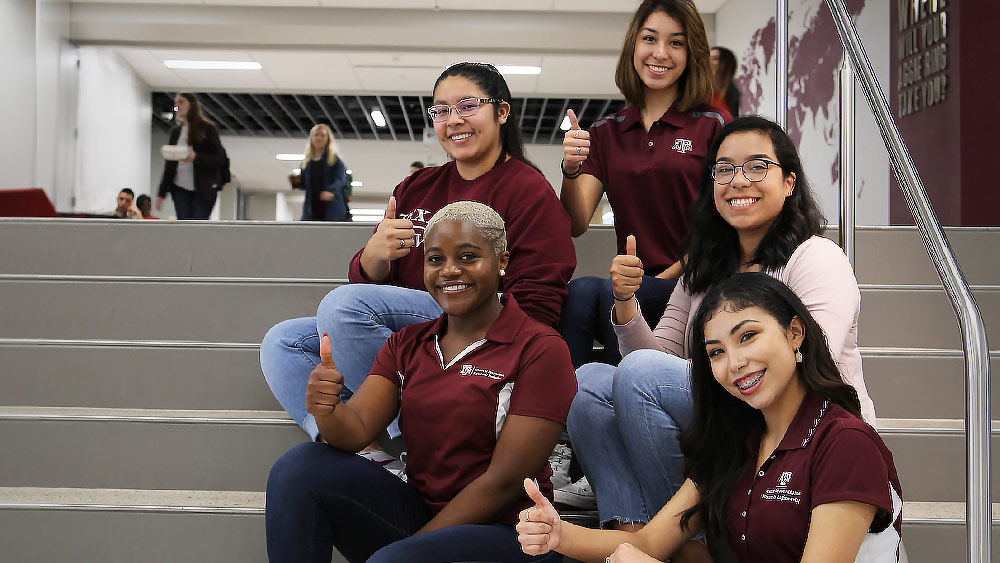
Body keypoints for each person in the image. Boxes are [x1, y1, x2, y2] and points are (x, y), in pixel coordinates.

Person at [565, 116, 877, 549]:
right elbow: (658, 358)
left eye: (756, 167)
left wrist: (705, 363)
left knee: (638, 374)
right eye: (724, 169)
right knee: (588, 384)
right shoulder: (706, 268)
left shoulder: (815, 257)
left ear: (789, 182)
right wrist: (625, 301)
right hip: (727, 415)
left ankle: (685, 548)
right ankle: (632, 533)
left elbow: (809, 362)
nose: (738, 181)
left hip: (795, 424)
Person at [260, 62, 576, 453]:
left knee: (342, 307)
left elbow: (539, 301)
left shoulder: (528, 190)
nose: (453, 120)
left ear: (502, 112)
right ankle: (370, 455)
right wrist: (373, 256)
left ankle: (418, 439)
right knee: (283, 342)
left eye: (467, 105)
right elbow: (373, 290)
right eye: (441, 110)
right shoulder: (418, 186)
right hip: (416, 332)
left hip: (479, 327)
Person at [265, 201, 576, 563]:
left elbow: (504, 482)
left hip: (512, 534)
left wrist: (408, 550)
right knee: (299, 469)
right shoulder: (407, 343)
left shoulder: (540, 349)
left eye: (468, 256)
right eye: (435, 259)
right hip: (423, 517)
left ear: (502, 261)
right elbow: (356, 430)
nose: (450, 271)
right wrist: (329, 410)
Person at [517, 273, 902, 563]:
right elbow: (650, 542)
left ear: (795, 333)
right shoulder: (736, 440)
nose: (734, 363)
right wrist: (559, 534)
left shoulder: (846, 442)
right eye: (716, 352)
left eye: (748, 336)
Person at [557, 0, 731, 369]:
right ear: (633, 46)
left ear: (691, 53)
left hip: (693, 281)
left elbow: (727, 223)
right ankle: (568, 408)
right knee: (579, 292)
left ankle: (627, 391)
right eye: (649, 38)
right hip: (630, 283)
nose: (660, 53)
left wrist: (666, 274)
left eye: (676, 43)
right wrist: (571, 167)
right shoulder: (607, 130)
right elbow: (576, 221)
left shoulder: (713, 125)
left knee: (607, 291)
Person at [155, 92, 226, 219]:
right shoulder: (176, 132)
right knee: (184, 226)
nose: (177, 106)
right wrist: (161, 194)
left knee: (197, 226)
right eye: (176, 103)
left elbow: (220, 159)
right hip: (180, 187)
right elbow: (170, 166)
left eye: (181, 102)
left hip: (203, 189)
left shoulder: (208, 129)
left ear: (192, 105)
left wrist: (196, 157)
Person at [300, 123, 350, 221]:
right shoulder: (306, 162)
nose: (319, 138)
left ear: (328, 139)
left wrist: (331, 191)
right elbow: (303, 184)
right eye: (316, 135)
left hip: (332, 206)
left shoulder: (335, 160)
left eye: (322, 135)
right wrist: (295, 182)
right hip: (312, 208)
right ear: (311, 138)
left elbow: (340, 180)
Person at [710, 46, 740, 117]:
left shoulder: (733, 92)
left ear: (725, 63)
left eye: (715, 58)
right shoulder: (698, 89)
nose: (709, 61)